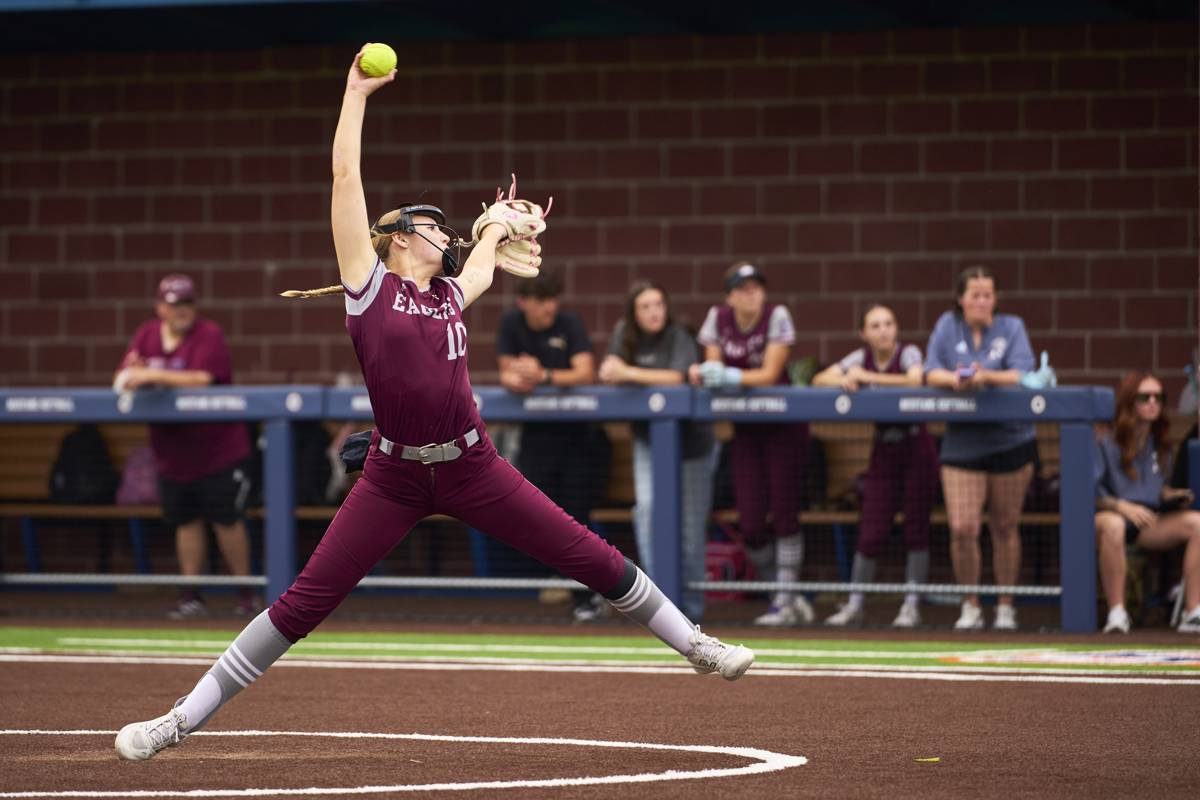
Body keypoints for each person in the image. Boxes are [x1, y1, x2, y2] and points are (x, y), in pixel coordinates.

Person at [114, 47, 752, 762]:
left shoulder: (449, 292)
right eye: (434, 227)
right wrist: (355, 94)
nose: (445, 235)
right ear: (398, 240)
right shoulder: (368, 285)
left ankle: (694, 643)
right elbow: (344, 176)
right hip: (393, 475)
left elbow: (479, 253)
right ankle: (179, 720)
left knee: (589, 555)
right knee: (301, 606)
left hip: (473, 464)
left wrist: (495, 229)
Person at [113, 273, 258, 620]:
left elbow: (202, 378)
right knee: (186, 521)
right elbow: (123, 378)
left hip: (218, 449)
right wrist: (136, 375)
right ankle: (191, 595)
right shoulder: (147, 334)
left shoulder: (209, 334)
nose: (182, 311)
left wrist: (152, 375)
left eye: (187, 304)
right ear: (161, 307)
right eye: (175, 304)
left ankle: (245, 595)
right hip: (172, 454)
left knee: (226, 520)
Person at [689, 262, 813, 627]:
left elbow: (769, 373)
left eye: (756, 287)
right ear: (729, 295)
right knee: (752, 522)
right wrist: (708, 374)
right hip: (746, 430)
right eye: (742, 288)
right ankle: (782, 594)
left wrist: (729, 375)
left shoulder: (777, 315)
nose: (751, 293)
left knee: (786, 513)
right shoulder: (718, 317)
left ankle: (785, 601)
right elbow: (712, 371)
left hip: (784, 425)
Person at [924, 265, 1036, 631]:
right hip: (963, 441)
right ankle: (970, 602)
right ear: (961, 298)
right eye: (974, 295)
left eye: (988, 295)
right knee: (963, 527)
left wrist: (986, 376)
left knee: (1004, 527)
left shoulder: (1012, 327)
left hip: (1011, 438)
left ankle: (1005, 605)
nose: (981, 301)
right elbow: (930, 371)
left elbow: (1023, 374)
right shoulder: (946, 325)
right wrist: (956, 379)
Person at [812, 304, 938, 628]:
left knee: (916, 528)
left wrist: (865, 378)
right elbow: (818, 379)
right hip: (883, 448)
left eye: (888, 323)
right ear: (863, 333)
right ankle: (855, 602)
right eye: (875, 325)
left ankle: (911, 605)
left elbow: (914, 381)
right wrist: (844, 379)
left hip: (917, 447)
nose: (883, 330)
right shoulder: (859, 357)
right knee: (871, 527)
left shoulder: (907, 352)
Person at [496, 268, 611, 619]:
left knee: (578, 519)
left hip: (580, 440)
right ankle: (558, 582)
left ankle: (588, 595)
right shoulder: (511, 324)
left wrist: (543, 374)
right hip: (537, 439)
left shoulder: (570, 323)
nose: (549, 307)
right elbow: (506, 373)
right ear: (523, 302)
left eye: (552, 299)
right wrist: (518, 378)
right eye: (541, 300)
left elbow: (585, 372)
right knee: (540, 517)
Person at [599, 280, 716, 621]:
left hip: (692, 447)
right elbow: (609, 371)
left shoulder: (679, 334)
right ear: (634, 314)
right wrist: (616, 373)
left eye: (658, 305)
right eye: (645, 307)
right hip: (648, 441)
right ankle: (658, 607)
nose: (653, 312)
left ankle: (692, 610)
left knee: (691, 529)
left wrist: (629, 373)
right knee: (647, 512)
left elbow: (680, 377)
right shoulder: (626, 333)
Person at [1094, 372, 1200, 634]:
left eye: (1158, 397)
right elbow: (1091, 492)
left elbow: (1153, 486)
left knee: (1197, 523)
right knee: (1114, 525)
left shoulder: (1159, 442)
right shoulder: (1105, 438)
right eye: (1145, 397)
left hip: (1146, 522)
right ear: (1130, 401)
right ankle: (1117, 614)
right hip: (1108, 516)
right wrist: (1122, 506)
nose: (1153, 402)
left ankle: (1192, 612)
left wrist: (1169, 494)